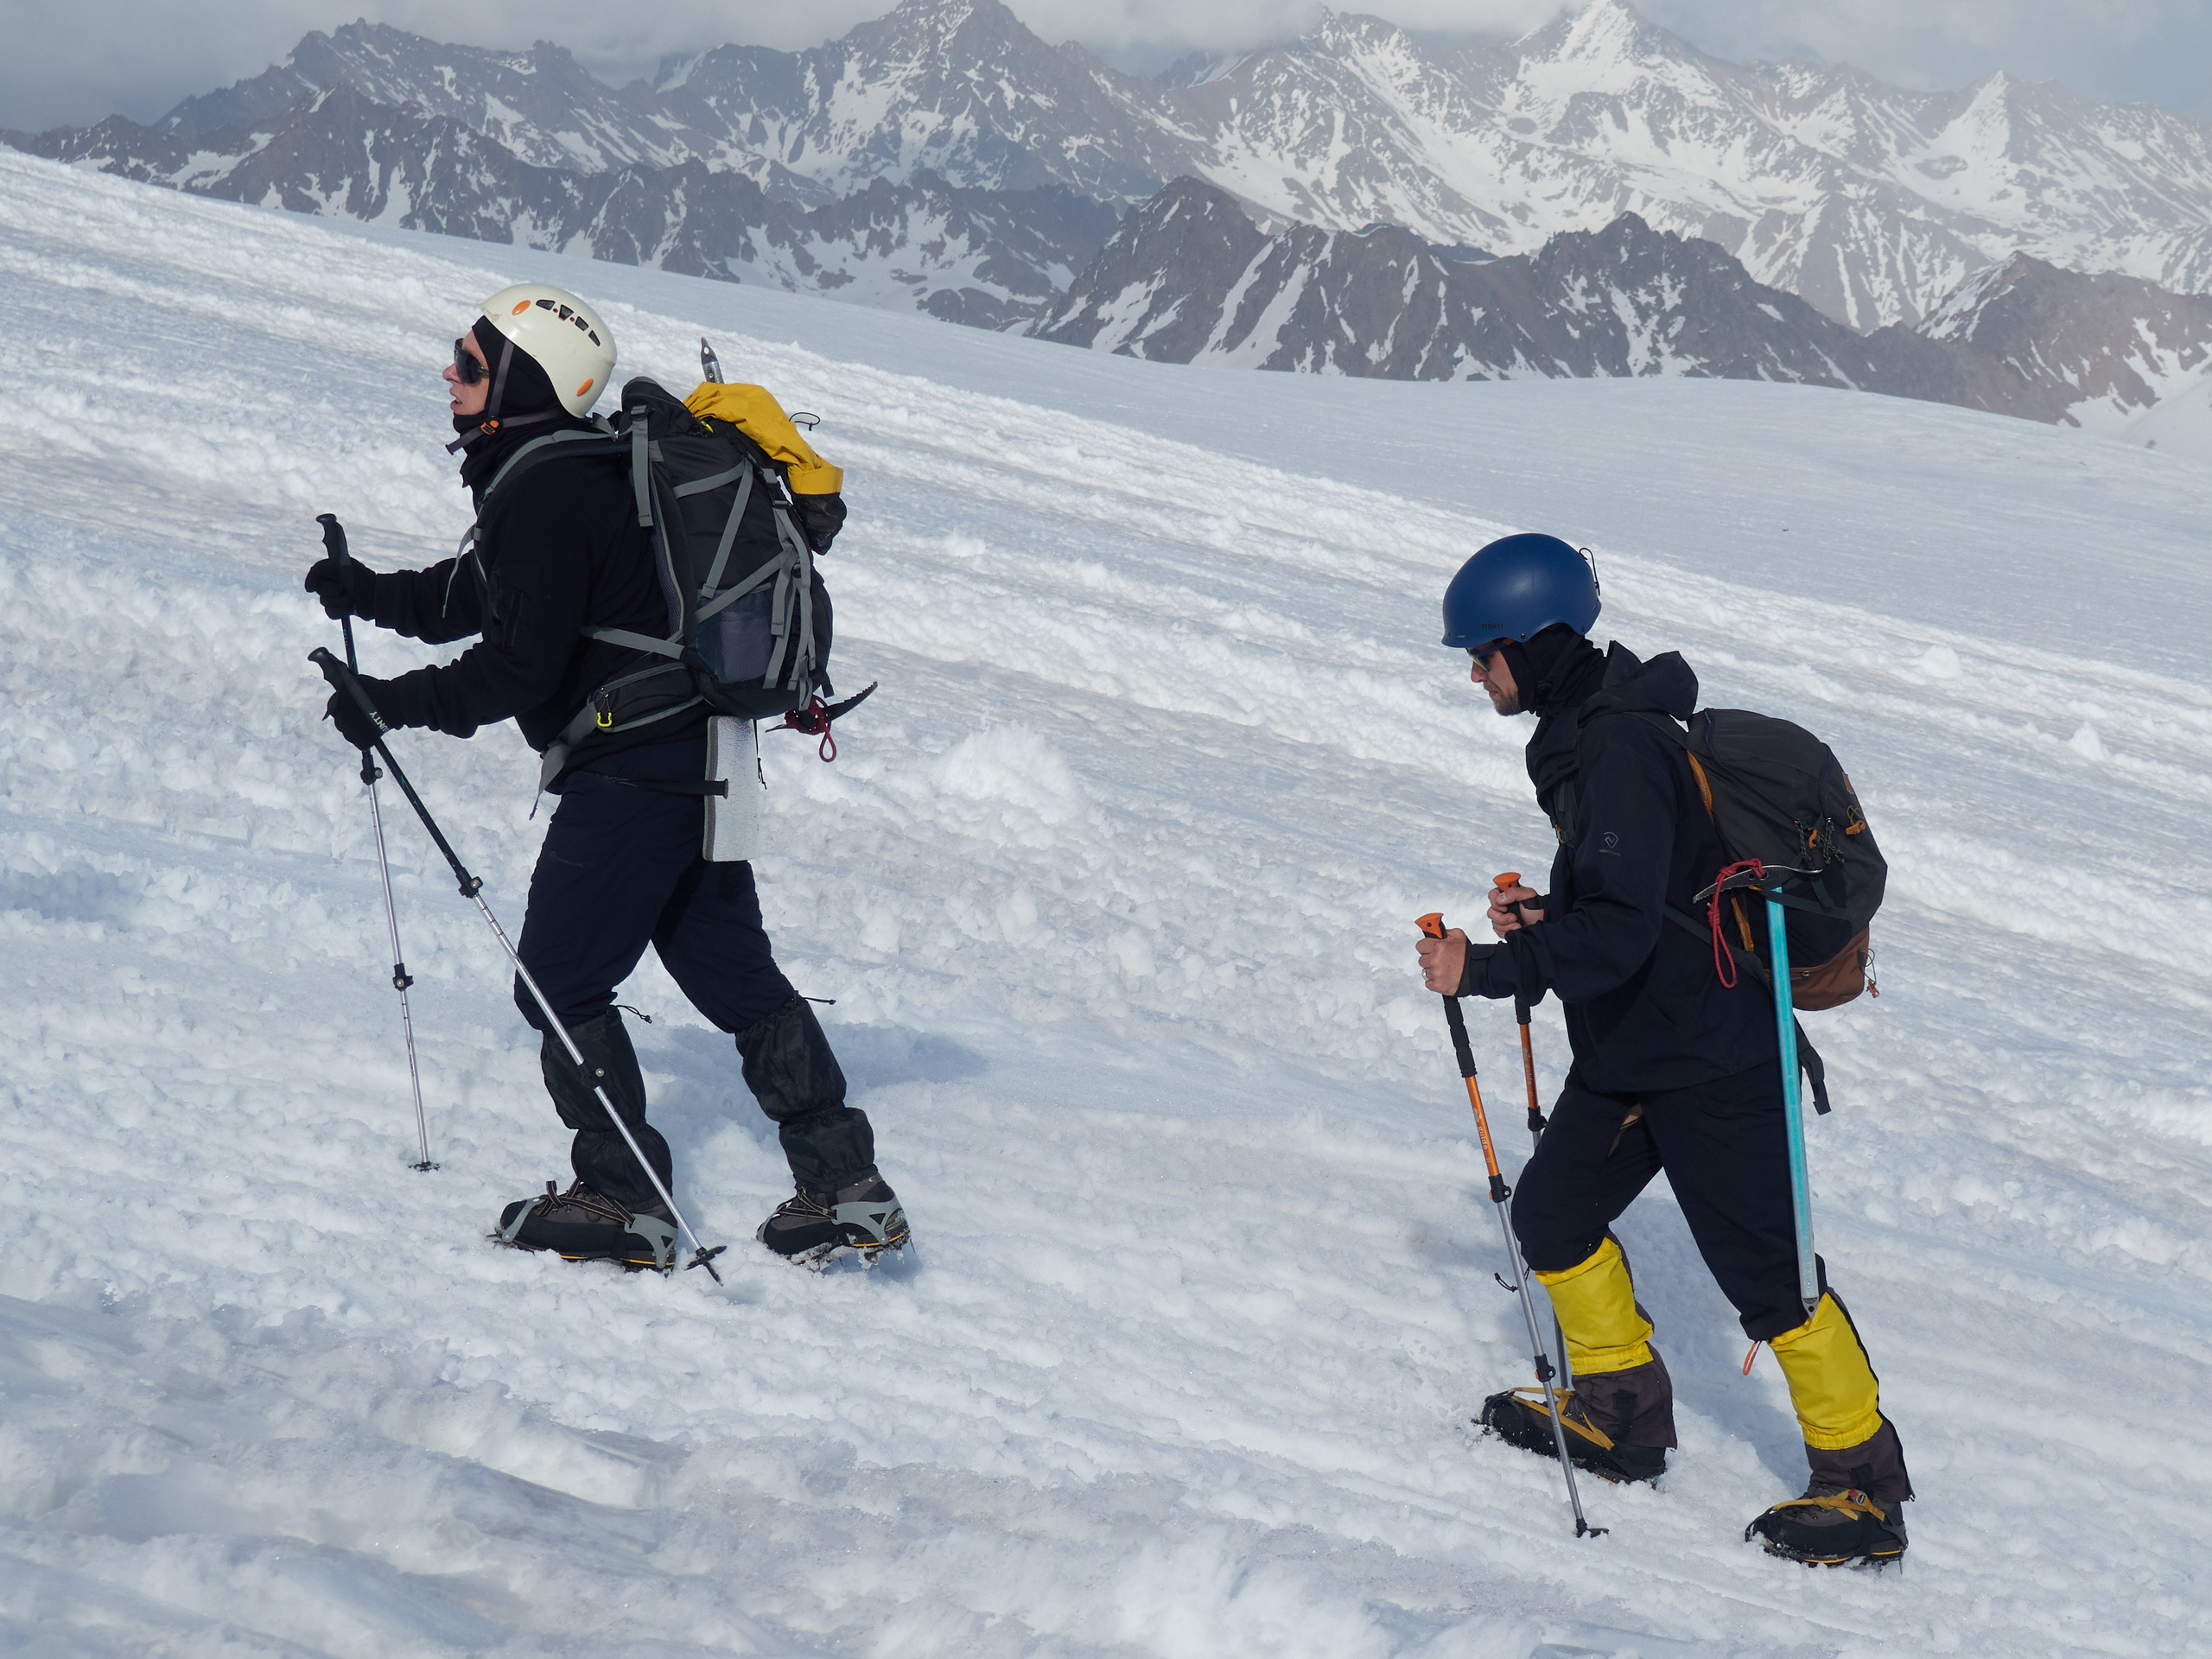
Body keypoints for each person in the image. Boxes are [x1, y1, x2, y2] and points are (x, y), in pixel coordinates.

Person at [305, 282, 907, 1270]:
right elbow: (489, 595)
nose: (448, 378)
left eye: (468, 363)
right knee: (738, 980)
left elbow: (516, 667)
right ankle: (847, 1187)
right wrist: (367, 593)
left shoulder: (545, 488)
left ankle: (625, 1201)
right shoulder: (585, 473)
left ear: (521, 379)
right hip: (702, 757)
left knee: (556, 981)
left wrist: (392, 705)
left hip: (632, 774)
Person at [1413, 532, 1910, 1567]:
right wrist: (1548, 916)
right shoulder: (1591, 732)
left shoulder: (1620, 748)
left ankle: (1861, 1488)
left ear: (1536, 644)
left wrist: (1490, 970)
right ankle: (1618, 1414)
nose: (1472, 672)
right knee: (1551, 1217)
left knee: (1772, 1282)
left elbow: (1630, 931)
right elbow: (1644, 900)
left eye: (1482, 652)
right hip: (1638, 1042)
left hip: (1710, 1056)